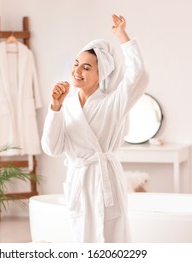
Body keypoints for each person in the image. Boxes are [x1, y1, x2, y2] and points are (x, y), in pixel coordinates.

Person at [41, 14, 149, 243]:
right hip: (80, 181)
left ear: (101, 74)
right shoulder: (66, 105)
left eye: (87, 67)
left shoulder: (113, 101)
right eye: (76, 64)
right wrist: (55, 107)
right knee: (83, 239)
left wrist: (122, 35)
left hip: (105, 180)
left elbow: (137, 75)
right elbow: (52, 148)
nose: (77, 71)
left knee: (112, 239)